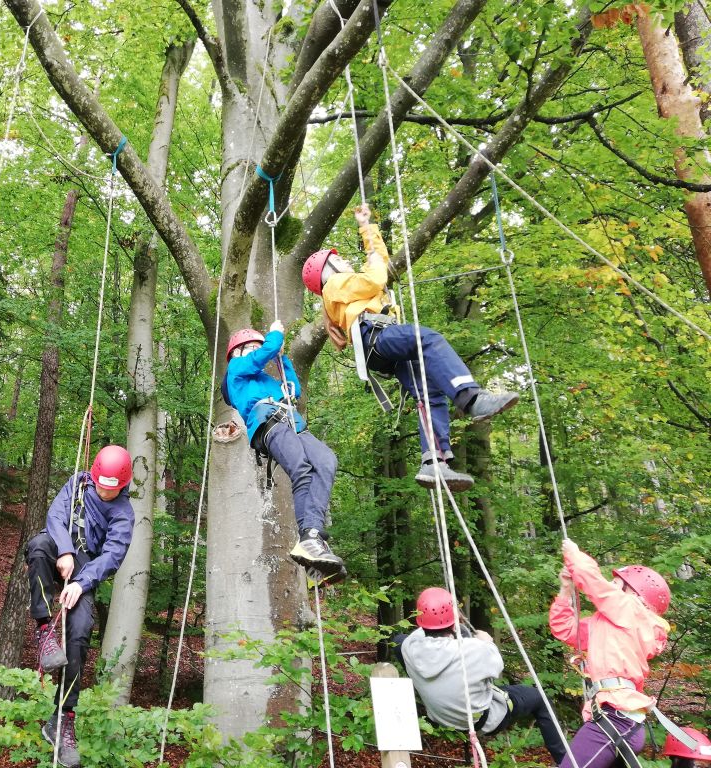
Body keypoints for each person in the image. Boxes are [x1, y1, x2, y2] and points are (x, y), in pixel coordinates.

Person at [302, 204, 519, 491]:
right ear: (327, 270)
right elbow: (376, 276)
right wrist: (368, 239)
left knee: (429, 392)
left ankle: (434, 462)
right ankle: (471, 398)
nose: (345, 264)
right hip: (375, 336)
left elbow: (378, 263)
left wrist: (368, 229)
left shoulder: (345, 288)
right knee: (428, 339)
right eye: (339, 262)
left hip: (379, 343)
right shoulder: (335, 285)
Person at [25, 445, 135, 768]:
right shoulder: (78, 483)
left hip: (85, 572)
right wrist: (64, 550)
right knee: (39, 545)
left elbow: (112, 557)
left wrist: (81, 582)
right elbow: (55, 516)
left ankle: (62, 716)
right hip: (59, 550)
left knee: (81, 629)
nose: (102, 491)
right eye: (100, 484)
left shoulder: (123, 515)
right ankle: (45, 633)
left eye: (110, 489)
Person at [223, 320, 344, 579]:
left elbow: (293, 390)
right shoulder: (236, 370)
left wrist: (283, 359)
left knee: (326, 461)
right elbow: (260, 355)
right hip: (268, 423)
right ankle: (308, 537)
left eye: (260, 345)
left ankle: (313, 541)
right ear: (237, 351)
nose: (259, 350)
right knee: (300, 467)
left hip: (293, 424)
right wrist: (275, 337)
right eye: (252, 347)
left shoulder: (266, 379)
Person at [394, 587, 567, 763]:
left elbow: (412, 636)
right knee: (541, 699)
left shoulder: (410, 647)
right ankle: (565, 762)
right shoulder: (473, 649)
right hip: (480, 720)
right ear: (453, 621)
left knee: (398, 641)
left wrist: (455, 625)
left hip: (440, 717)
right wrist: (487, 641)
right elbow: (496, 668)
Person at [549, 539, 671, 768]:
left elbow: (595, 585)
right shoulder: (610, 622)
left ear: (635, 595)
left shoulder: (632, 611)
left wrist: (574, 555)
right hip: (615, 717)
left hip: (617, 718)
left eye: (616, 583)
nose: (611, 587)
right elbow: (566, 629)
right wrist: (565, 590)